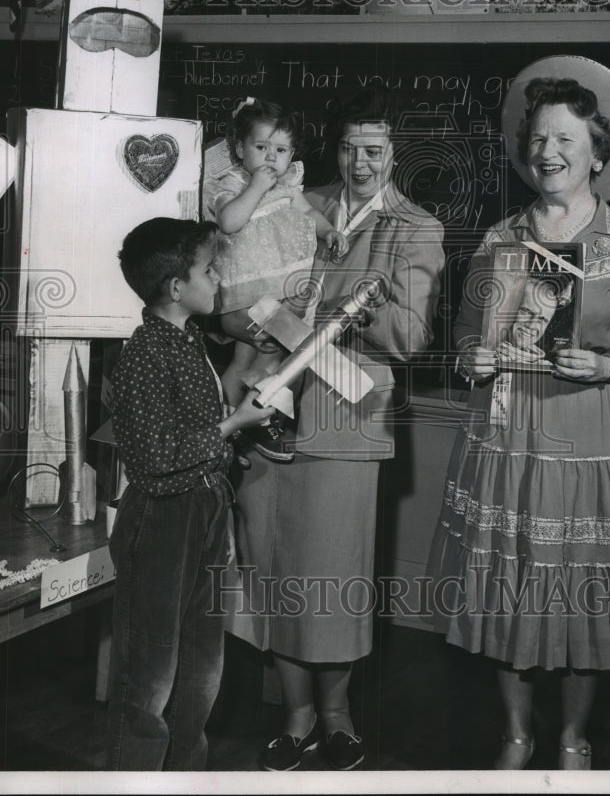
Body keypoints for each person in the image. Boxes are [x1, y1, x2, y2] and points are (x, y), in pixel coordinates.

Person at [426, 57, 610, 772]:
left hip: (594, 431)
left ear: (598, 155)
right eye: (539, 139)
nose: (549, 153)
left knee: (582, 591)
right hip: (506, 432)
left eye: (567, 140)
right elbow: (467, 333)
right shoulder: (497, 239)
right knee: (506, 584)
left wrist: (609, 365)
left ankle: (574, 736)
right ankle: (516, 734)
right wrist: (468, 358)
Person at [222, 89, 445, 771]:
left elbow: (408, 338)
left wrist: (347, 304)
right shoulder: (297, 201)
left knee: (336, 580)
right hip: (267, 416)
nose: (359, 161)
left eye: (373, 149)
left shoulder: (414, 227)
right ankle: (293, 716)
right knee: (276, 572)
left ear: (393, 153)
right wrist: (259, 312)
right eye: (348, 147)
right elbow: (231, 302)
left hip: (348, 422)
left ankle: (337, 715)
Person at [106, 217, 275, 771]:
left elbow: (191, 431)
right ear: (177, 288)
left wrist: (232, 426)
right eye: (209, 269)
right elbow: (156, 457)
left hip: (203, 508)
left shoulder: (186, 338)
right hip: (161, 519)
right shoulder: (144, 353)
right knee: (149, 675)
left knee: (202, 665)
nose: (218, 276)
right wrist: (231, 428)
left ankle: (186, 775)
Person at [202, 97, 347, 459]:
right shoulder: (229, 183)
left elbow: (309, 213)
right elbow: (229, 222)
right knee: (271, 345)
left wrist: (328, 231)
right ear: (239, 149)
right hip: (243, 289)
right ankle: (237, 415)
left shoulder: (288, 186)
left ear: (292, 154)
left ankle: (245, 415)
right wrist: (255, 188)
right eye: (261, 147)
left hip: (279, 288)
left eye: (280, 150)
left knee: (265, 353)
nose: (271, 158)